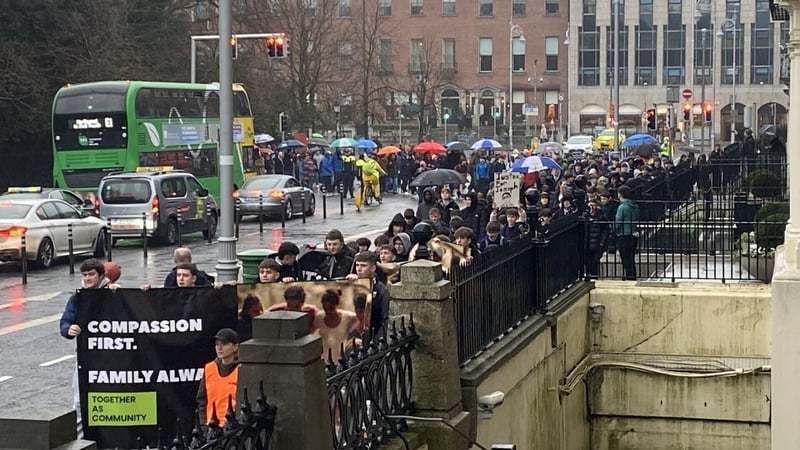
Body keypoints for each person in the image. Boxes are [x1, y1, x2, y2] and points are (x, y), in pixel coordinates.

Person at [59, 258, 111, 438]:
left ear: (101, 275)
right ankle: (81, 440)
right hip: (86, 357)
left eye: (91, 274)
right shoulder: (77, 298)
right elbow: (66, 321)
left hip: (113, 357)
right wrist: (68, 329)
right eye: (85, 275)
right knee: (80, 400)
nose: (87, 278)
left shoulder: (114, 294)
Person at [197, 328, 240, 426]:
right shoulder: (209, 368)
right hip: (212, 427)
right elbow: (202, 400)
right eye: (217, 344)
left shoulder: (241, 369)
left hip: (233, 428)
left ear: (235, 347)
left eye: (224, 344)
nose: (219, 348)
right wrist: (203, 424)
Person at [346, 252, 390, 339]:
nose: (359, 269)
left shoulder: (381, 290)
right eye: (357, 265)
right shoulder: (351, 283)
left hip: (371, 336)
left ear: (373, 268)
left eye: (363, 266)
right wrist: (347, 284)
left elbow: (384, 319)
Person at [314, 289, 360, 361]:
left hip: (341, 358)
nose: (328, 311)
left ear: (337, 305)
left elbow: (359, 321)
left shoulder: (348, 317)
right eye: (325, 308)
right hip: (325, 358)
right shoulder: (318, 318)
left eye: (331, 308)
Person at [615, 185, 640, 281]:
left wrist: (615, 232)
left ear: (620, 194)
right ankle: (632, 276)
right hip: (633, 234)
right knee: (631, 258)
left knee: (625, 258)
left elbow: (618, 222)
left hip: (624, 235)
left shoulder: (622, 207)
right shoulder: (635, 206)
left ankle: (628, 277)